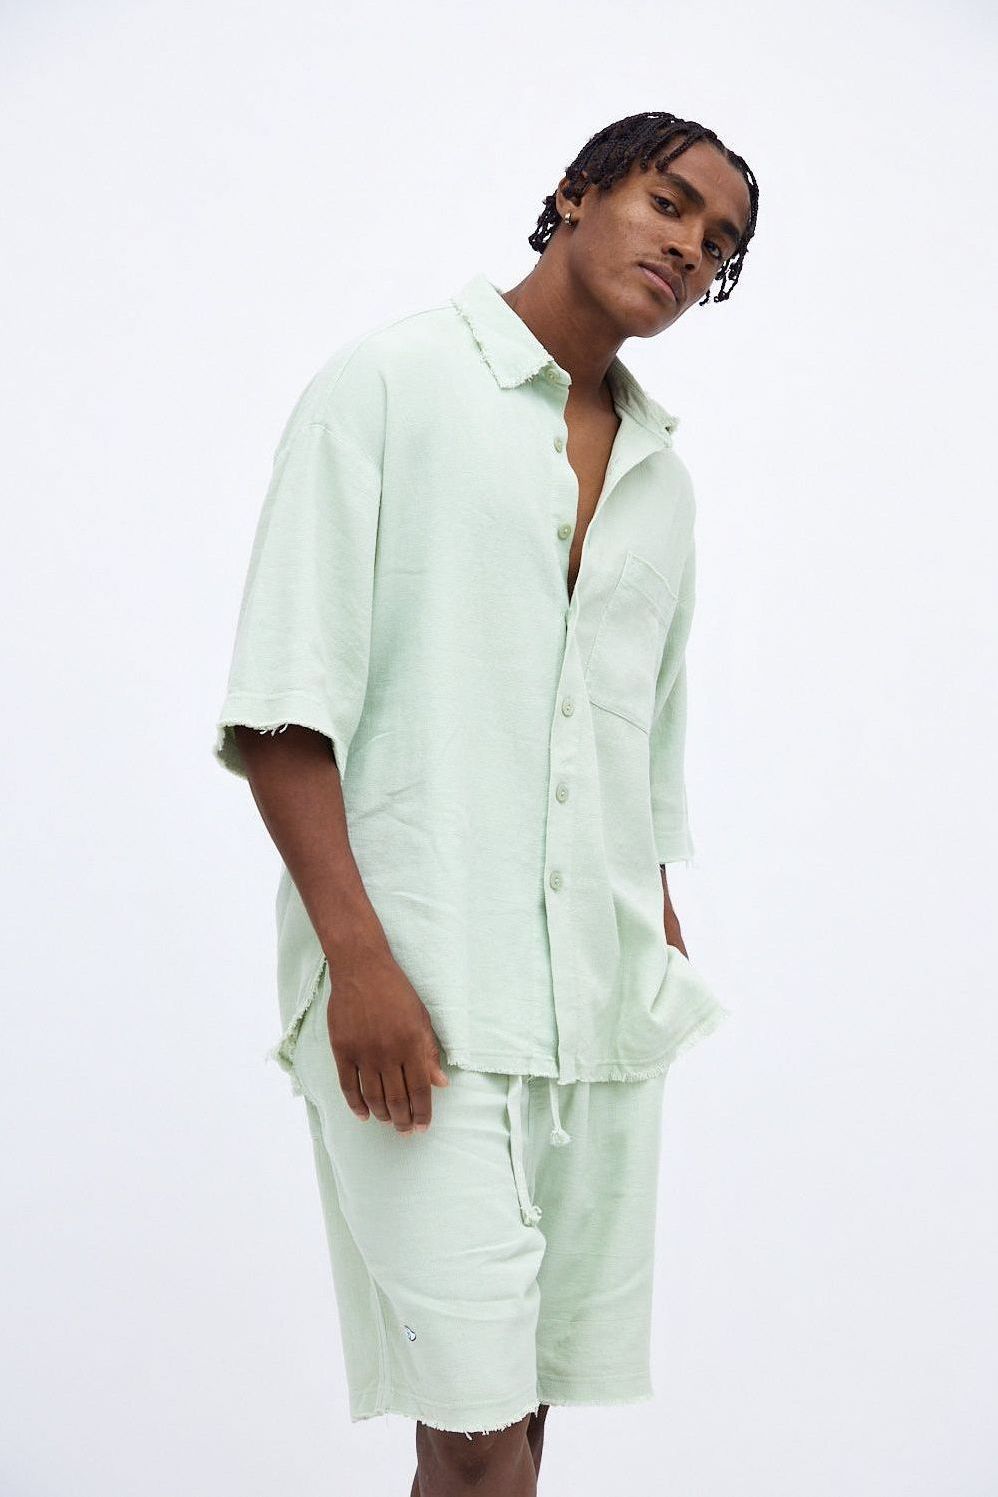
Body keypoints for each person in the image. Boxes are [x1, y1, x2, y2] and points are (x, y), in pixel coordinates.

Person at [212, 109, 758, 1496]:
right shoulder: (390, 387)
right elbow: (282, 708)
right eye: (669, 203)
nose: (690, 249)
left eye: (720, 246)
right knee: (473, 1423)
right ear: (575, 194)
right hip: (418, 994)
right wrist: (357, 966)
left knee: (522, 1419)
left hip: (595, 1007)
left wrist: (655, 935)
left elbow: (640, 744)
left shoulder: (664, 482)